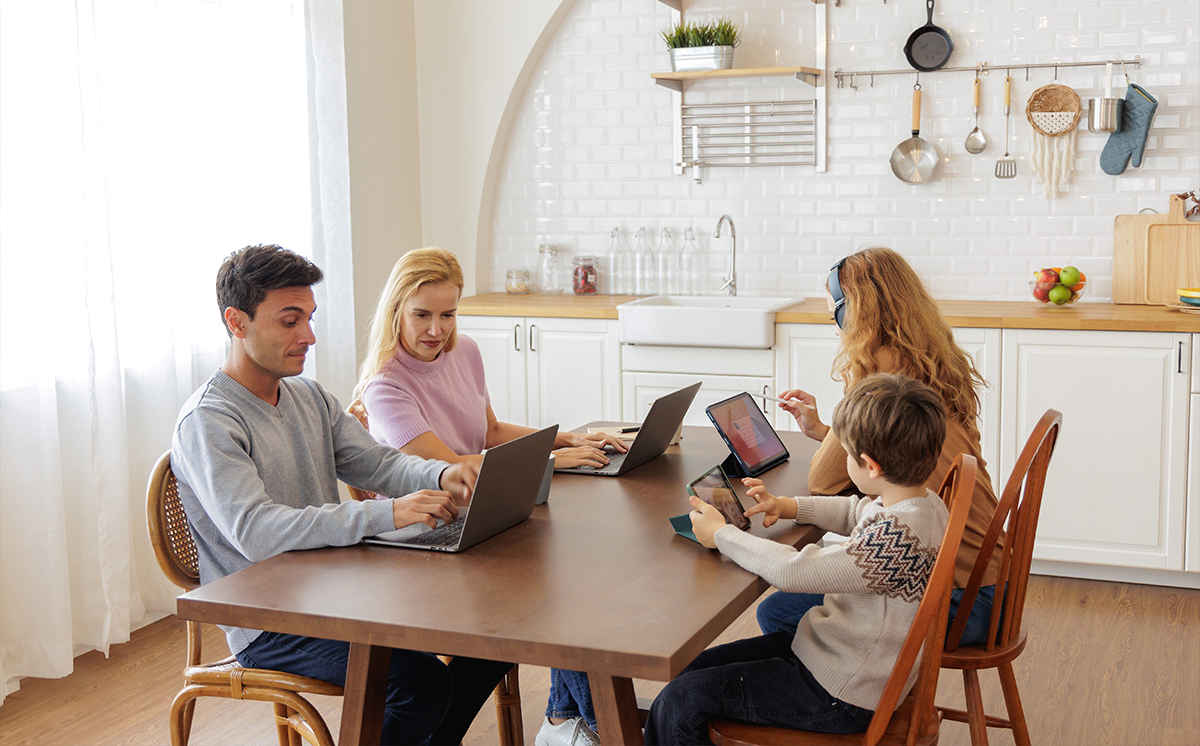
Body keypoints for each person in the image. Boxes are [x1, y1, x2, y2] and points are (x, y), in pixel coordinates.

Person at [171, 244, 511, 746]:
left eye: (309, 318)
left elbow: (378, 462)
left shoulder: (307, 395)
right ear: (236, 322)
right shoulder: (210, 421)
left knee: (495, 635)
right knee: (419, 684)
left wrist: (442, 476)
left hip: (335, 586)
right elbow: (258, 533)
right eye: (290, 321)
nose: (308, 336)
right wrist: (385, 514)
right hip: (270, 618)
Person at [353, 247, 627, 746]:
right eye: (422, 315)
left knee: (569, 583)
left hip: (477, 521)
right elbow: (452, 471)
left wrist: (562, 438)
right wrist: (547, 461)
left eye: (448, 314)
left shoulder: (466, 351)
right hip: (424, 536)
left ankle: (569, 721)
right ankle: (579, 724)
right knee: (549, 597)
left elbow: (490, 431)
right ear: (396, 311)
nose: (436, 330)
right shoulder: (385, 386)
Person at [644, 373, 951, 745]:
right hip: (841, 659)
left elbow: (794, 570)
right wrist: (789, 506)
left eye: (847, 456)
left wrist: (723, 535)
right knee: (689, 674)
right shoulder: (922, 504)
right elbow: (858, 512)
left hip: (844, 693)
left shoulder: (892, 543)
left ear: (870, 466)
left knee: (681, 701)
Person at [757, 246, 1002, 646]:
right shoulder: (932, 367)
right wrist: (824, 430)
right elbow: (893, 454)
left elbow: (823, 481)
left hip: (962, 600)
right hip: (994, 581)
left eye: (834, 316)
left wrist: (846, 414)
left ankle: (853, 700)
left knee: (777, 611)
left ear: (855, 317)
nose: (835, 329)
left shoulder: (882, 382)